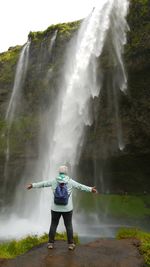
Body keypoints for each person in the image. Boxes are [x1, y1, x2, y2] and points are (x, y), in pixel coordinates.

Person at [26, 165, 97, 250]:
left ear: (59, 172)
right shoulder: (70, 181)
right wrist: (90, 189)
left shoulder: (54, 181)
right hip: (67, 208)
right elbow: (80, 186)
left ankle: (50, 243)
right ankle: (71, 244)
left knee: (53, 224)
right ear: (66, 172)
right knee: (68, 225)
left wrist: (33, 185)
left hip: (55, 208)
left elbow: (44, 184)